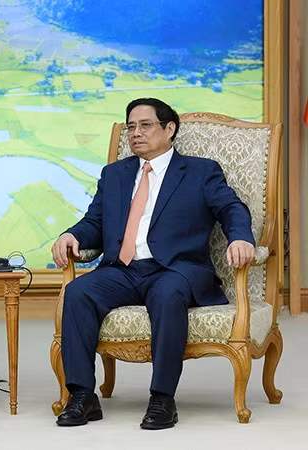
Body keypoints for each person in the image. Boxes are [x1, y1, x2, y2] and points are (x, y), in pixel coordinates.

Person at [50, 98, 255, 430]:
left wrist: (240, 238)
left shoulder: (200, 171)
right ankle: (82, 396)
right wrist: (71, 235)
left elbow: (232, 208)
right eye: (131, 127)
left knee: (167, 293)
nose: (136, 133)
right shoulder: (114, 174)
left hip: (176, 269)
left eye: (145, 125)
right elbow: (94, 222)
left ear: (169, 129)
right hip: (123, 270)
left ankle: (162, 398)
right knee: (78, 292)